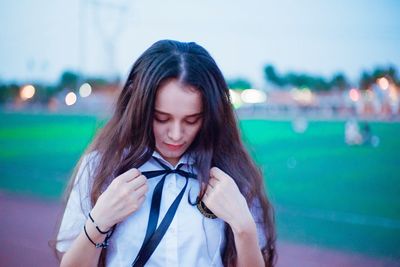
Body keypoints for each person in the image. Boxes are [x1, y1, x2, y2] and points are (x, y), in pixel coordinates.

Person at [51, 40, 276, 267]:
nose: (176, 135)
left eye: (191, 120)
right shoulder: (101, 166)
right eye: (161, 118)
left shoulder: (231, 175)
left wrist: (244, 228)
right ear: (139, 107)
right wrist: (99, 222)